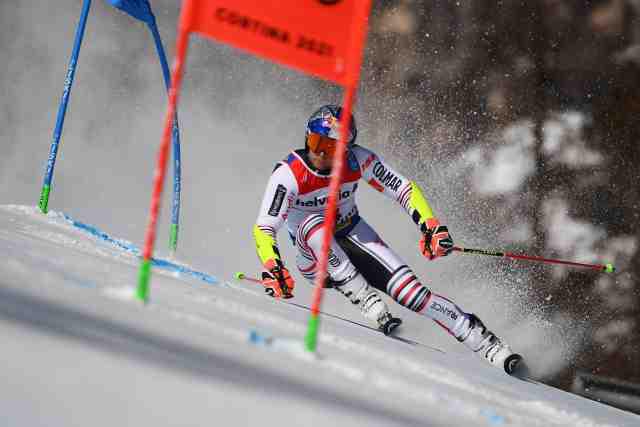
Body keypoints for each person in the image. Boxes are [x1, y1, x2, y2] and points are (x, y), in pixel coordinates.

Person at [252, 104, 520, 373]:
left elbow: (402, 188)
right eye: (315, 141)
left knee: (414, 294)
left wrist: (430, 227)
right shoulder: (288, 174)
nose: (319, 152)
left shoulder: (357, 160)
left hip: (352, 234)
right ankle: (365, 298)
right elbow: (264, 227)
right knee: (314, 225)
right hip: (314, 260)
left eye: (330, 147)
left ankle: (487, 345)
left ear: (345, 149)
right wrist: (273, 268)